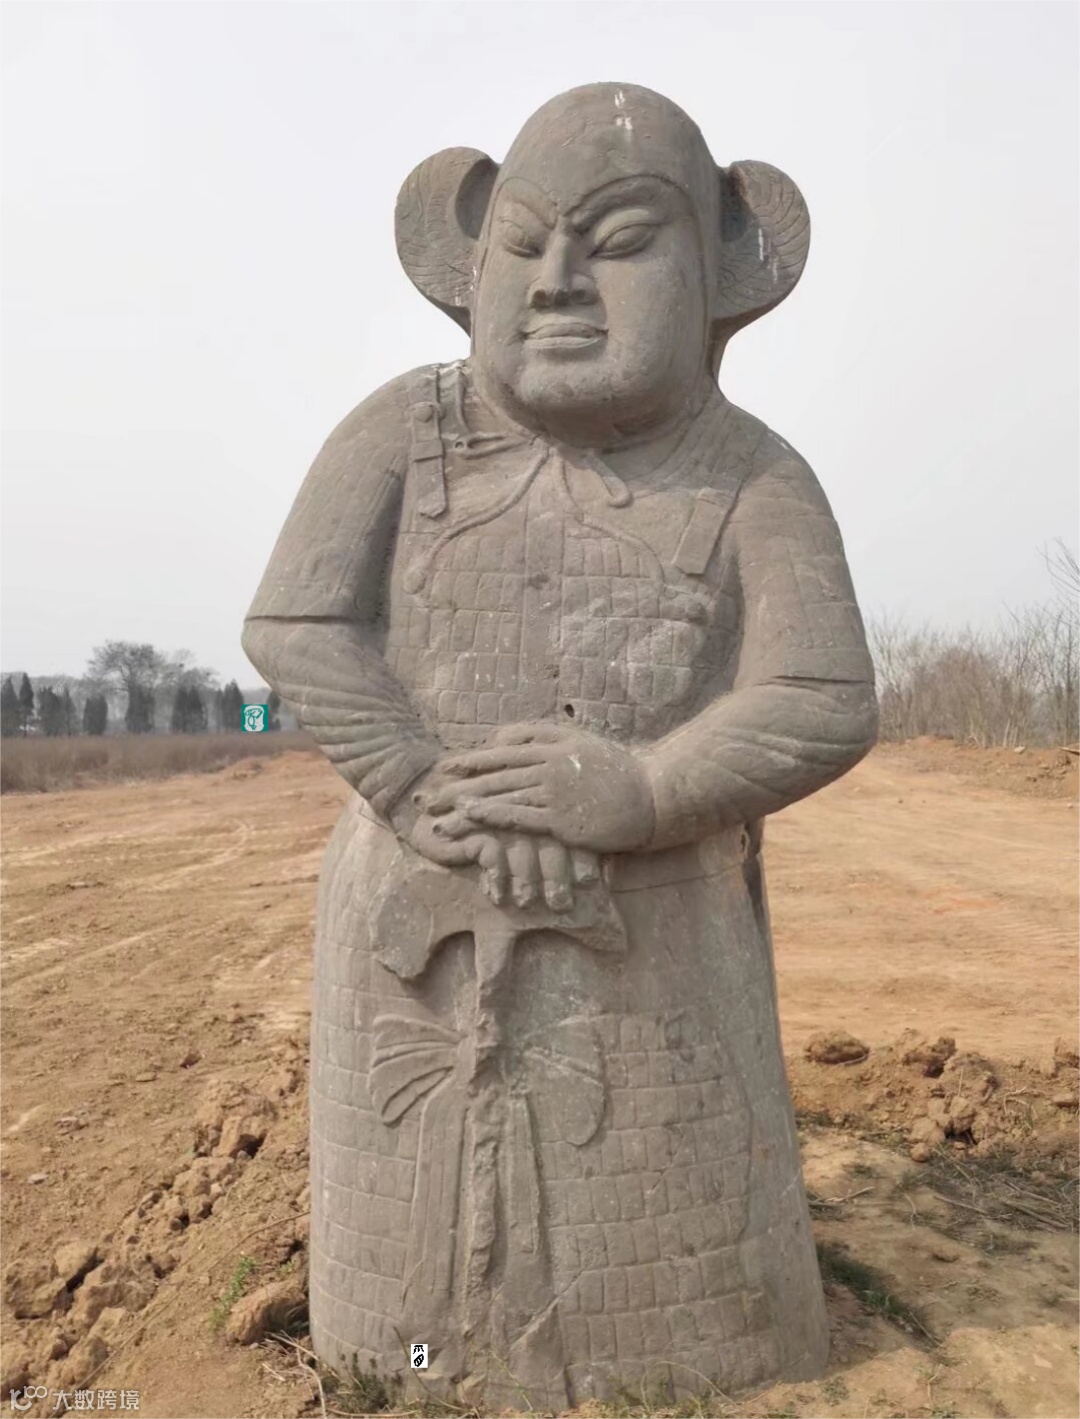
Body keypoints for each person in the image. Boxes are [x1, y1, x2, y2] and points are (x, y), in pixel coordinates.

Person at [244, 83, 877, 1409]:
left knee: (667, 1225)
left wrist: (644, 788)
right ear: (472, 269)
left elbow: (820, 692)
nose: (559, 282)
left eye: (624, 240)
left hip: (659, 929)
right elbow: (297, 622)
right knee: (410, 1257)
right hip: (409, 899)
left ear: (716, 278)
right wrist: (413, 779)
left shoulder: (754, 475)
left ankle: (688, 1369)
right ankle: (407, 1368)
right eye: (525, 243)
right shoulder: (402, 432)